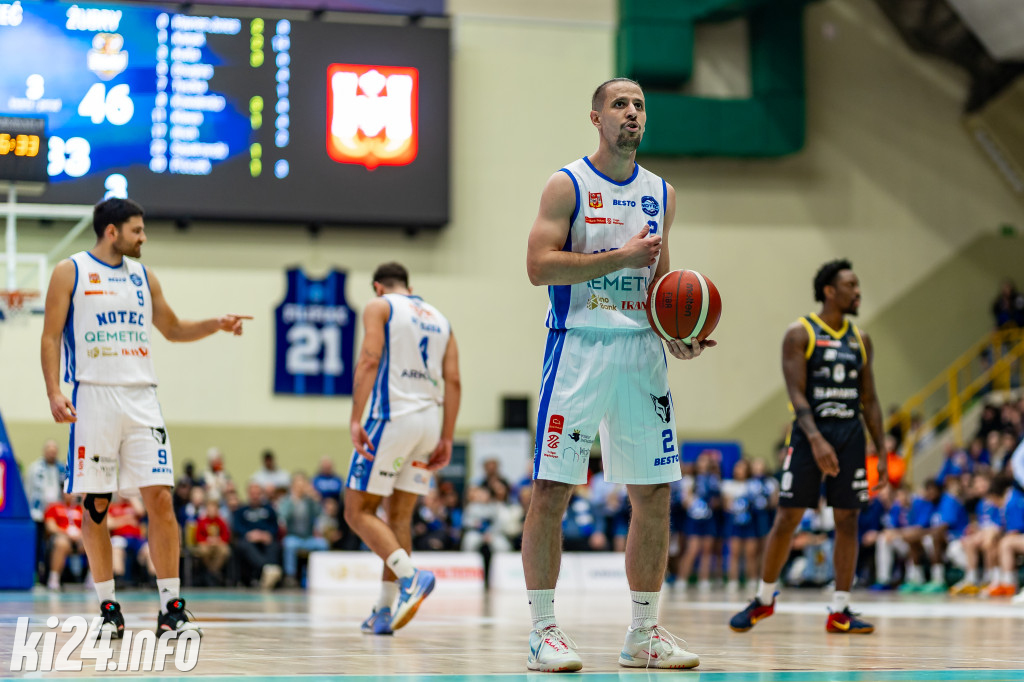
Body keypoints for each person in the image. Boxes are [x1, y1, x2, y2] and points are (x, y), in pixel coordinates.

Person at [521, 77, 713, 672]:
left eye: (639, 105)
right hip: (578, 346)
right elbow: (538, 266)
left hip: (641, 353)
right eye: (620, 104)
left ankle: (643, 633)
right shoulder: (568, 184)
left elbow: (661, 283)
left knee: (654, 493)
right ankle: (543, 632)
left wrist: (676, 333)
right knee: (553, 488)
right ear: (596, 118)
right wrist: (619, 257)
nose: (632, 113)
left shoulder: (662, 193)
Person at [40, 197, 251, 637]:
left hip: (142, 399)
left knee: (160, 499)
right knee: (97, 504)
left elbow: (172, 329)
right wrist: (54, 391)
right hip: (93, 396)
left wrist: (215, 323)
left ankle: (171, 610)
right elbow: (50, 336)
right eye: (137, 230)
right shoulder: (70, 271)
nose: (144, 237)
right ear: (112, 231)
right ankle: (108, 609)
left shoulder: (144, 277)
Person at [730, 259, 886, 635]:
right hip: (808, 433)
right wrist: (816, 440)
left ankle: (840, 609)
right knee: (788, 517)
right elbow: (796, 393)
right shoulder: (800, 333)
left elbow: (869, 399)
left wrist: (881, 450)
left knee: (848, 520)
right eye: (851, 285)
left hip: (850, 435)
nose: (858, 292)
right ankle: (763, 599)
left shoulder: (861, 339)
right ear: (829, 291)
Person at [343, 262, 461, 635]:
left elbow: (369, 359)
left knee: (357, 510)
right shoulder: (441, 319)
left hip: (393, 418)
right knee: (399, 519)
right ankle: (383, 610)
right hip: (429, 424)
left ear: (378, 287)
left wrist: (356, 418)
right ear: (409, 286)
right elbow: (454, 380)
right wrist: (447, 436)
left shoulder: (379, 306)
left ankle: (410, 577)